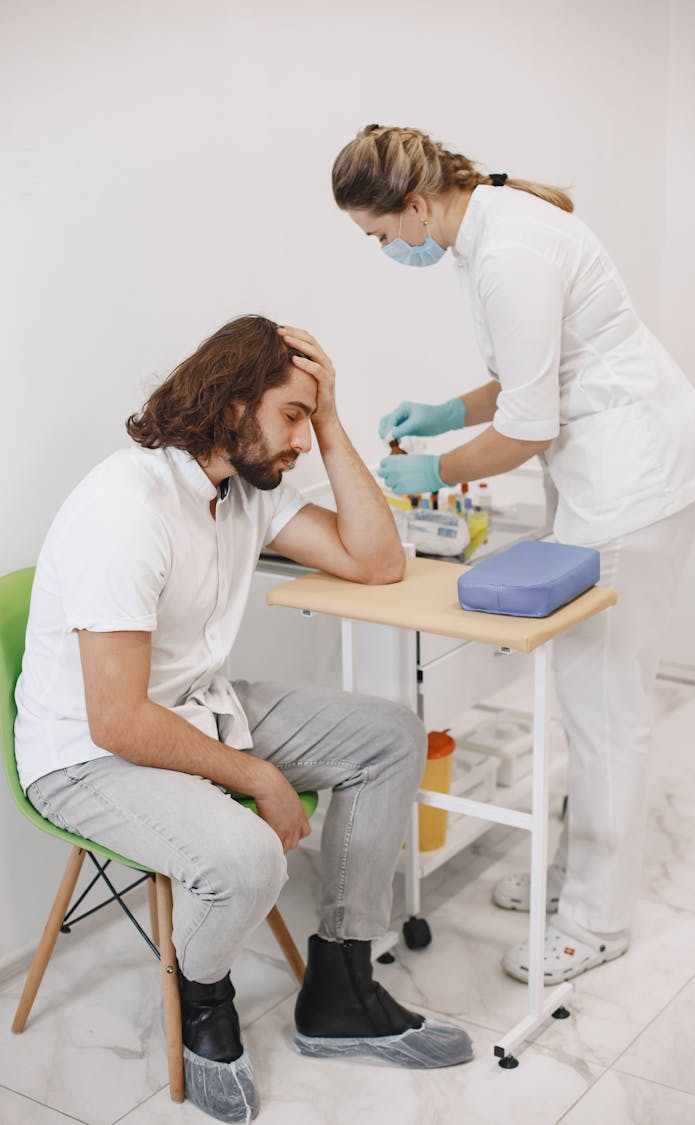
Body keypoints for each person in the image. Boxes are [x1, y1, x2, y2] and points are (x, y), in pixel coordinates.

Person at [14, 315, 472, 1124]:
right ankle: (204, 1000)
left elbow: (378, 561)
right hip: (87, 756)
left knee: (390, 735)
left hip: (194, 710)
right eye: (292, 415)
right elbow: (117, 718)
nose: (299, 438)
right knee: (250, 856)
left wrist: (329, 421)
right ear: (232, 406)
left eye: (308, 419)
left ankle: (340, 986)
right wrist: (259, 776)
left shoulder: (241, 489)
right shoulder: (128, 508)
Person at [331, 124, 695, 987]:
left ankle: (595, 920)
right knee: (591, 698)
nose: (383, 249)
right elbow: (528, 373)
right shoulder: (489, 223)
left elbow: (528, 423)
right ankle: (576, 876)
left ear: (414, 204)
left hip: (634, 484)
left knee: (605, 708)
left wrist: (434, 466)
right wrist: (447, 409)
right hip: (619, 467)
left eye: (378, 234)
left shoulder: (508, 248)